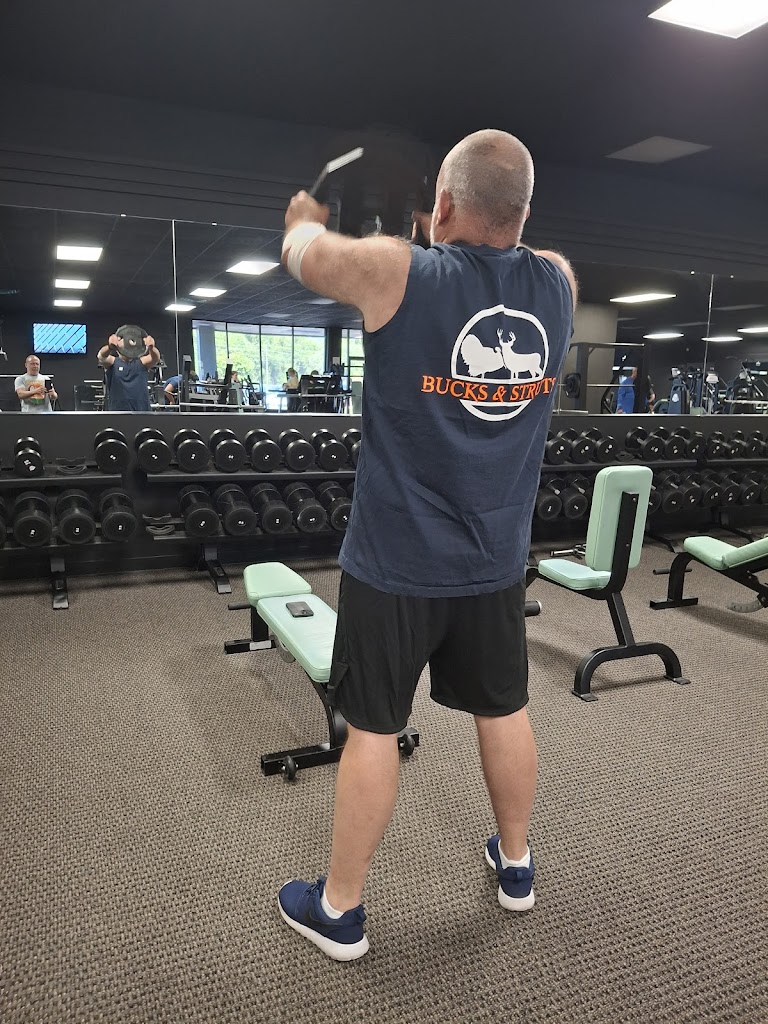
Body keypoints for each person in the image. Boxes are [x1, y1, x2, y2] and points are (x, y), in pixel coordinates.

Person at [277, 129, 576, 960]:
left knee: (374, 729)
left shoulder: (397, 271)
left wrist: (304, 217)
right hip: (493, 564)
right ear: (522, 211)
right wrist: (449, 234)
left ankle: (340, 911)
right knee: (504, 708)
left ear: (443, 203)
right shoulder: (557, 283)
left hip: (395, 563)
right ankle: (516, 864)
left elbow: (305, 254)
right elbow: (502, 253)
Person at [97, 332, 161, 411]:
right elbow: (101, 356)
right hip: (118, 412)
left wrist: (152, 348)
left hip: (142, 412)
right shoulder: (113, 362)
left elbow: (155, 358)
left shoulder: (142, 362)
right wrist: (109, 347)